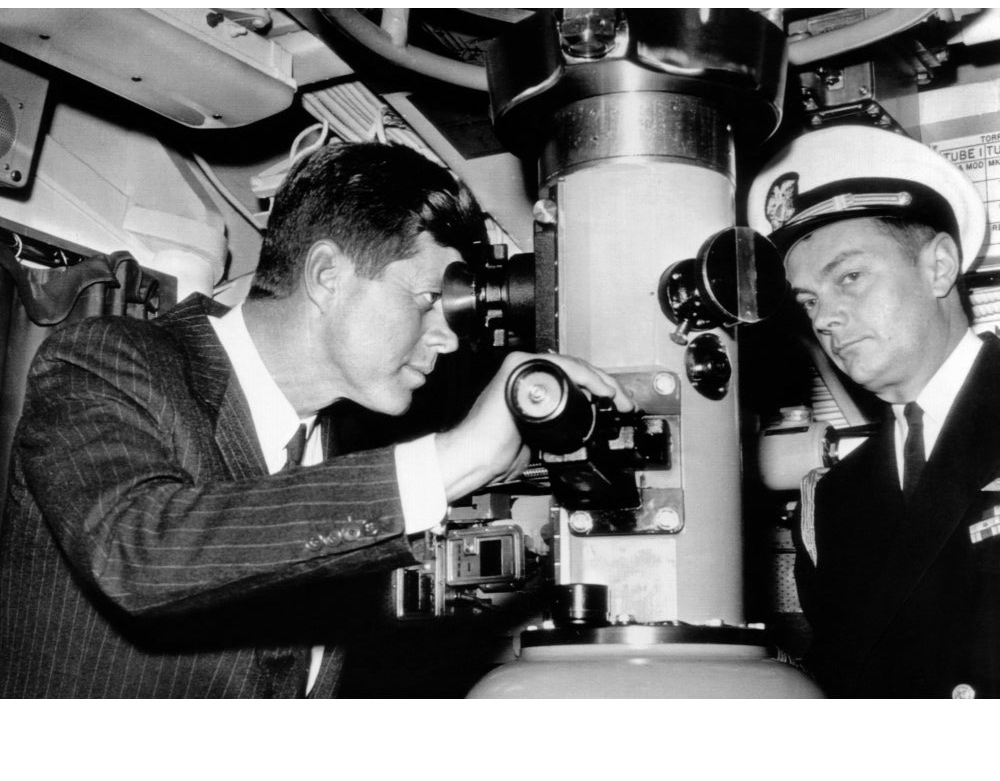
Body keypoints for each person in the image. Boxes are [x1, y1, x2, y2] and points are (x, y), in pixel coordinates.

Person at [0, 141, 633, 698]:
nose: (445, 340)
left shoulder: (339, 445)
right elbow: (135, 553)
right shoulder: (106, 361)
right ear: (328, 275)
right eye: (428, 301)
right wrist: (459, 457)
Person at [748, 122, 1000, 698]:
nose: (824, 318)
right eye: (808, 301)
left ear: (938, 267)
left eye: (850, 278)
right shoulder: (833, 501)